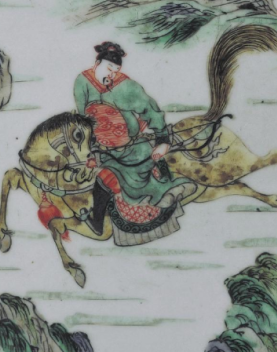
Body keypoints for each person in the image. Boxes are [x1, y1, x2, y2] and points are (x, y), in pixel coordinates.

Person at [73, 42, 194, 230]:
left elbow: (150, 110)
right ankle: (97, 222)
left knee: (140, 168)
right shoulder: (82, 82)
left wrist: (162, 140)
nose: (111, 74)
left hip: (130, 146)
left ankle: (163, 192)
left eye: (116, 70)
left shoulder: (126, 86)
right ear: (97, 64)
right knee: (97, 179)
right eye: (109, 68)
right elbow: (83, 117)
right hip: (100, 147)